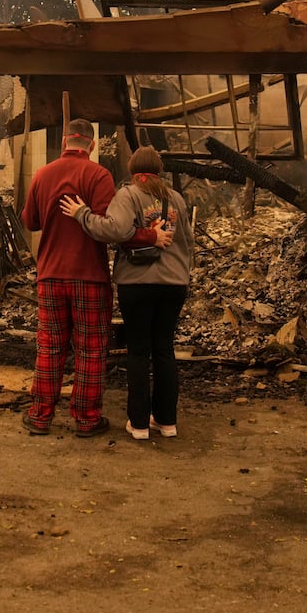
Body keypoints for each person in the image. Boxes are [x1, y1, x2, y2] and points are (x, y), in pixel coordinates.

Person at [60, 145, 193, 442]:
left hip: (137, 284)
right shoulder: (177, 199)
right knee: (164, 350)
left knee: (138, 351)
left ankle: (139, 425)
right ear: (158, 169)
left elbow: (115, 230)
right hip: (174, 285)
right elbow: (189, 243)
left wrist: (81, 214)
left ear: (134, 170)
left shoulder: (129, 195)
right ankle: (167, 422)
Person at [18, 118, 122, 437]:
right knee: (90, 349)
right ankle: (87, 419)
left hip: (50, 274)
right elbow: (108, 225)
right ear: (91, 145)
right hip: (89, 275)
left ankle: (40, 416)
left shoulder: (42, 174)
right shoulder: (99, 175)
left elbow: (30, 221)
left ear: (64, 143)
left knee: (50, 347)